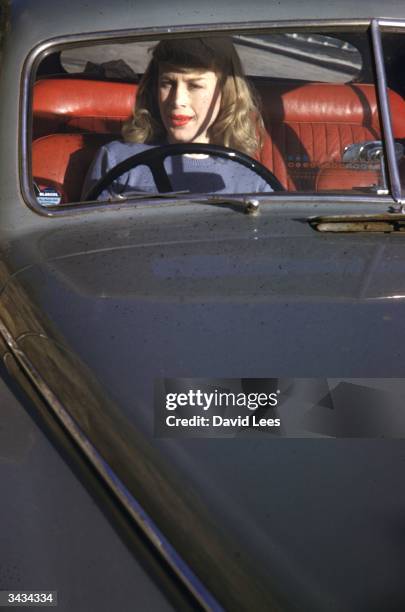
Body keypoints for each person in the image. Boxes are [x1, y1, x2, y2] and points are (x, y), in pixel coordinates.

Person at [82, 37, 272, 200]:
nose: (177, 100)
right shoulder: (117, 159)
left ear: (226, 92)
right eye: (168, 83)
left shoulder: (252, 179)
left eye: (195, 86)